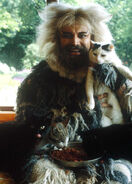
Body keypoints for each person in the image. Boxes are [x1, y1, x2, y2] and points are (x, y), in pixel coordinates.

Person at [0, 2, 132, 184]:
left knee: (118, 177)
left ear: (93, 37)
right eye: (67, 35)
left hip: (107, 155)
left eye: (82, 35)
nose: (75, 42)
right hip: (50, 156)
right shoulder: (37, 80)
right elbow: (26, 124)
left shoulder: (111, 75)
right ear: (57, 38)